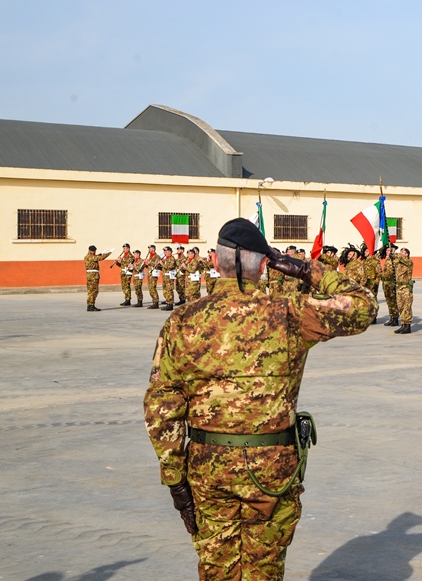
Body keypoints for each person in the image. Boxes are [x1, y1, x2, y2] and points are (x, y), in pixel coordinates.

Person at [144, 218, 377, 580]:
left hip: (208, 467)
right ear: (266, 265)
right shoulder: (289, 312)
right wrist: (306, 269)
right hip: (272, 468)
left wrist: (175, 479)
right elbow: (363, 306)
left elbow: (162, 406)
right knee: (264, 567)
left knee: (217, 566)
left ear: (214, 261)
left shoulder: (183, 320)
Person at [391, 247, 415, 334]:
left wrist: (395, 254)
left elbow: (400, 258)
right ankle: (403, 324)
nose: (400, 253)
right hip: (399, 287)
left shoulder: (408, 262)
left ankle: (407, 326)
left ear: (407, 254)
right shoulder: (399, 263)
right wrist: (391, 256)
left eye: (403, 252)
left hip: (406, 288)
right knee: (400, 306)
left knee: (406, 307)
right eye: (400, 252)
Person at [84, 245, 113, 311]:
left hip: (91, 275)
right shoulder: (90, 257)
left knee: (91, 291)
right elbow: (100, 258)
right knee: (94, 291)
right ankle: (91, 305)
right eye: (93, 251)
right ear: (89, 251)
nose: (94, 252)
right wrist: (109, 253)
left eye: (94, 251)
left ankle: (90, 305)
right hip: (93, 276)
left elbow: (97, 256)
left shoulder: (88, 256)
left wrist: (101, 253)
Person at [379, 244, 400, 327]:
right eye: (387, 250)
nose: (388, 252)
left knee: (393, 301)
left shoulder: (395, 260)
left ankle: (395, 318)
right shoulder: (388, 260)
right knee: (389, 301)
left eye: (390, 250)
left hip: (392, 283)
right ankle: (391, 317)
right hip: (386, 283)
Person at [145, 245, 163, 309]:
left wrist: (149, 263)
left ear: (153, 249)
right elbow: (149, 266)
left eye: (150, 249)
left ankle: (156, 302)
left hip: (154, 274)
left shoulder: (157, 256)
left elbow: (157, 265)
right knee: (150, 288)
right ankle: (154, 302)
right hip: (150, 274)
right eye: (148, 249)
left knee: (153, 288)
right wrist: (146, 264)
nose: (149, 250)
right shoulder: (150, 256)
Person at [161, 247, 178, 311]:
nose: (166, 253)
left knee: (169, 290)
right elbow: (163, 268)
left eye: (167, 252)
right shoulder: (165, 259)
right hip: (165, 277)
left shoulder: (172, 258)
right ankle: (167, 302)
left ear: (170, 252)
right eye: (165, 252)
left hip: (169, 277)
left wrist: (162, 264)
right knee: (165, 290)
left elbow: (170, 267)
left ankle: (170, 304)